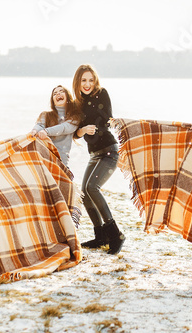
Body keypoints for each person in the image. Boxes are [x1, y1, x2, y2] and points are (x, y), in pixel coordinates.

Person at [72, 64, 125, 255]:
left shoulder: (102, 94)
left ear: (95, 81)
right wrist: (84, 130)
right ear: (78, 82)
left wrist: (95, 126)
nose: (87, 84)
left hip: (109, 151)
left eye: (91, 80)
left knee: (92, 188)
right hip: (94, 154)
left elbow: (107, 119)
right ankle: (100, 235)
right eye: (84, 80)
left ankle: (116, 234)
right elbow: (75, 134)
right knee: (84, 193)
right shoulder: (77, 104)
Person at [30, 85, 82, 166]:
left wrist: (46, 131)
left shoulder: (74, 117)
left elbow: (64, 128)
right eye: (55, 94)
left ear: (68, 96)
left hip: (61, 162)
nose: (58, 94)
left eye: (61, 91)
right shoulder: (46, 115)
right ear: (53, 101)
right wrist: (34, 130)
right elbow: (40, 125)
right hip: (43, 159)